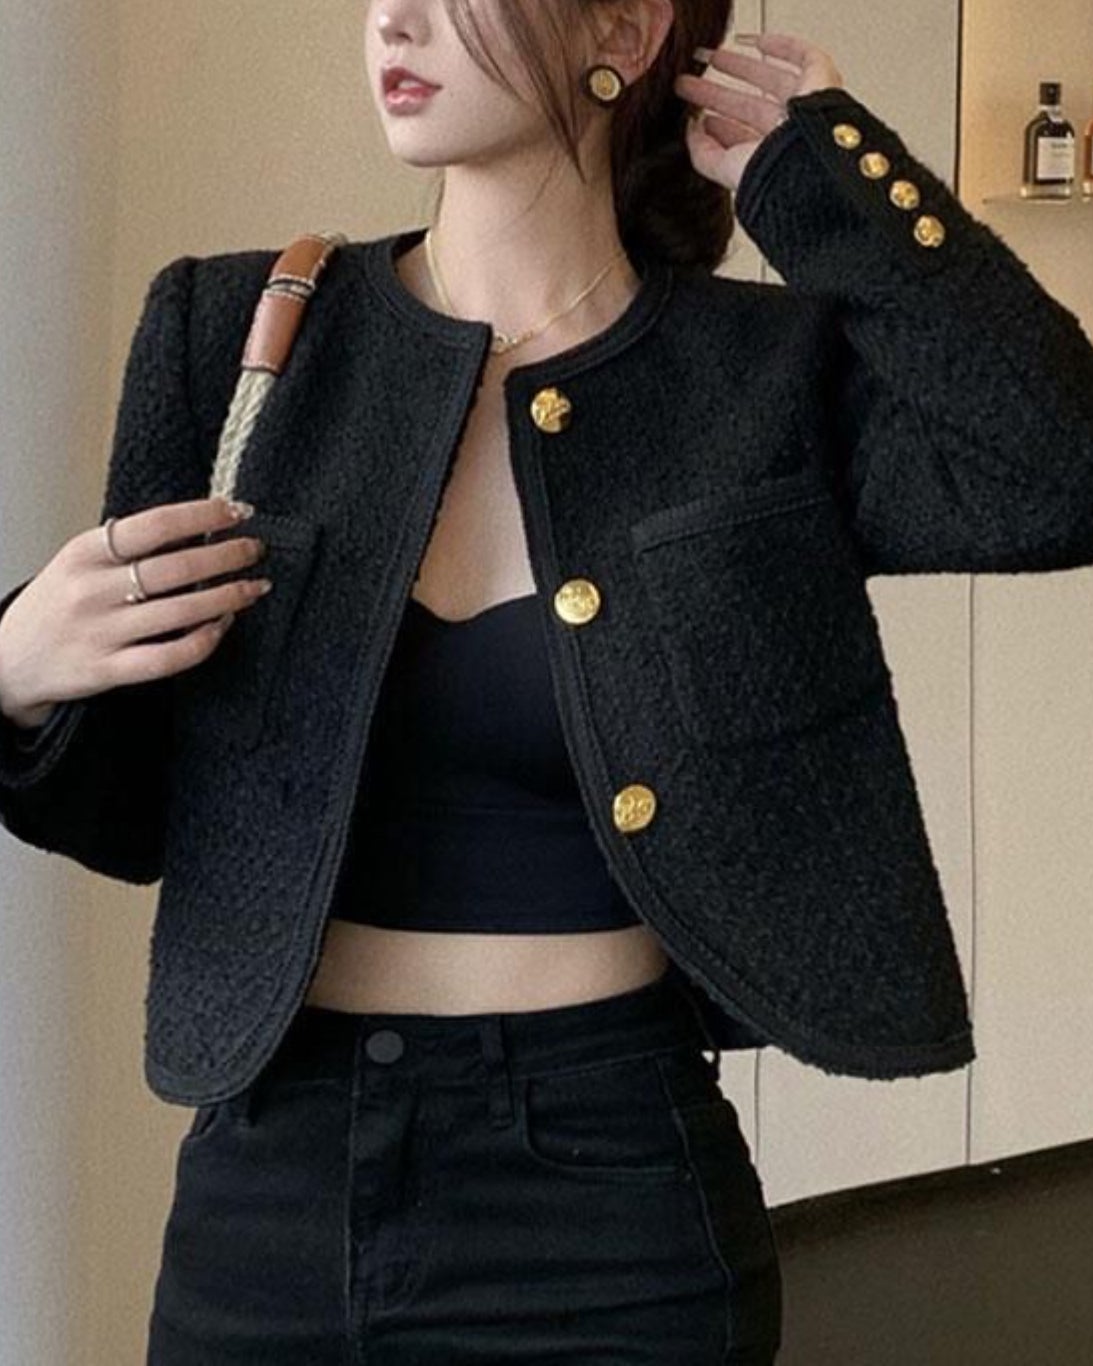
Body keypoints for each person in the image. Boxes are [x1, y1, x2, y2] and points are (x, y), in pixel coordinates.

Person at [3, 0, 1091, 1361]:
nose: (392, 18)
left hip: (610, 1190)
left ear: (621, 32)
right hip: (270, 1191)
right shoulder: (230, 335)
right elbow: (131, 814)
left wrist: (827, 178)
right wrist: (19, 674)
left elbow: (1056, 472)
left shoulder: (762, 371)